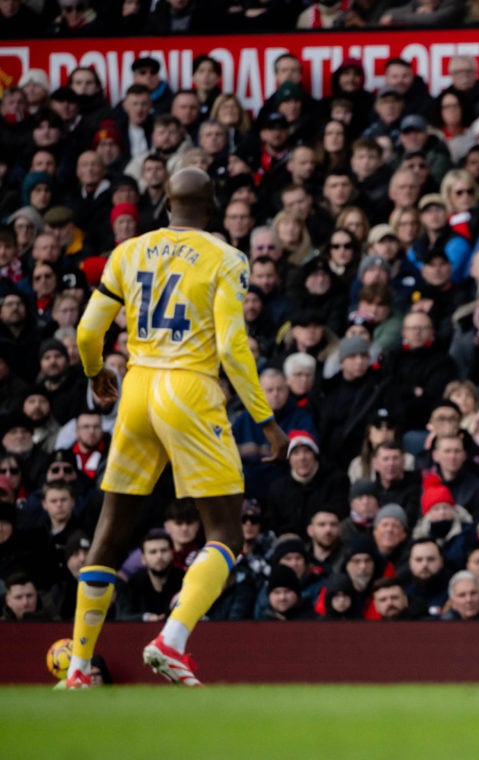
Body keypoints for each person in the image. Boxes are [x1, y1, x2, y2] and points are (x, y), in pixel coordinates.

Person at [67, 168, 289, 688]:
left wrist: (97, 370)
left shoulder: (128, 251)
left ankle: (78, 668)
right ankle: (172, 639)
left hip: (137, 388)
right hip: (189, 389)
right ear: (211, 208)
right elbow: (234, 347)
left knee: (109, 530)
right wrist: (266, 420)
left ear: (165, 203)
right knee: (226, 532)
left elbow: (87, 330)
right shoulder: (226, 258)